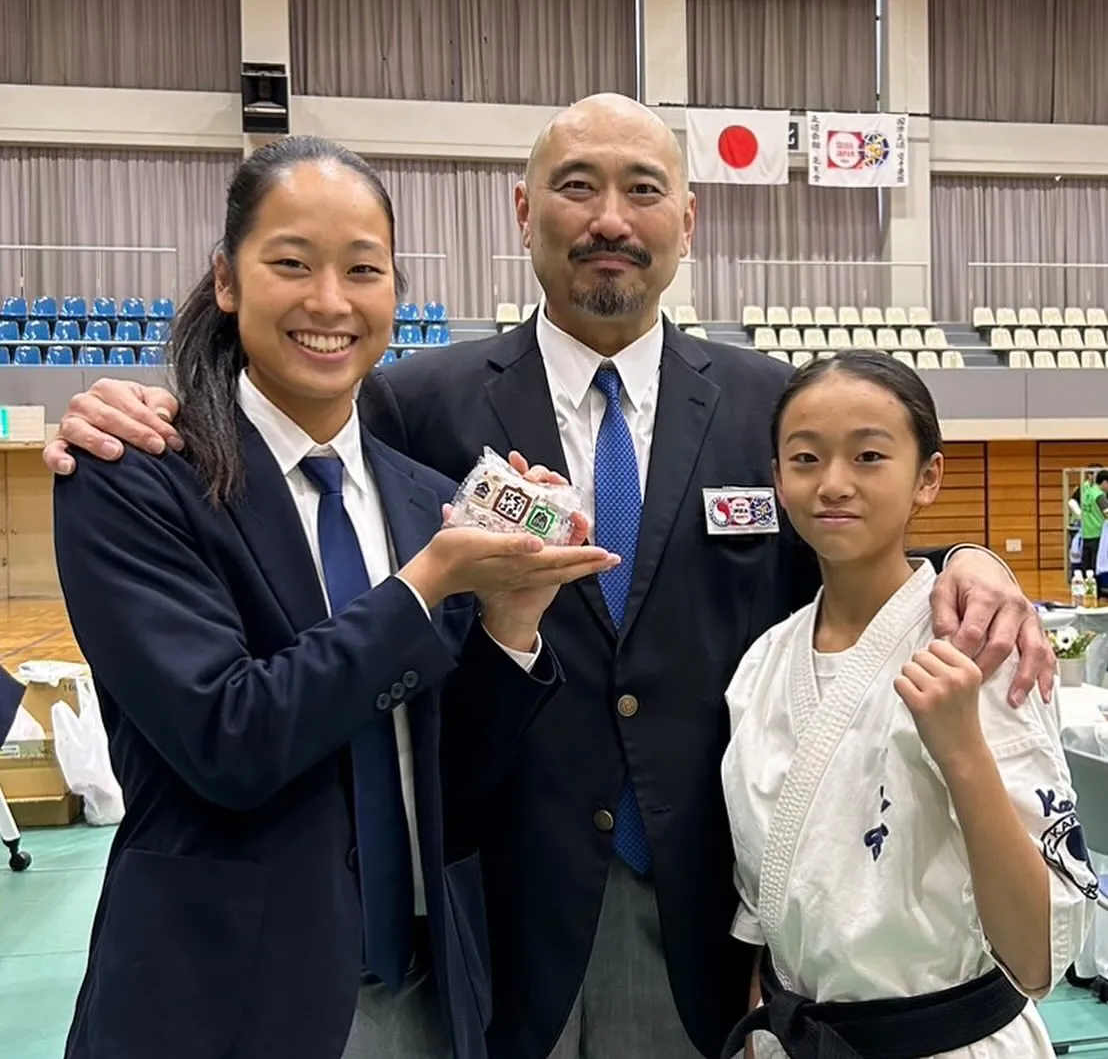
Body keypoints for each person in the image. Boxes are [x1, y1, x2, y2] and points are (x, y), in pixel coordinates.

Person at [42, 95, 1054, 1059]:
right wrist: (142, 401)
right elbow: (278, 446)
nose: (610, 218)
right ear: (523, 212)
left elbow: (854, 542)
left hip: (708, 911)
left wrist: (966, 560)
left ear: (687, 218)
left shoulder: (770, 409)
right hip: (491, 913)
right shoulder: (410, 407)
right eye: (575, 186)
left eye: (643, 189)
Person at [50, 136, 618, 1059]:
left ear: (395, 292)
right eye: (291, 264)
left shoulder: (415, 493)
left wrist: (511, 626)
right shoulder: (135, 480)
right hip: (222, 998)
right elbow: (228, 738)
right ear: (226, 281)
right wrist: (426, 581)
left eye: (363, 269)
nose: (329, 301)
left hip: (425, 996)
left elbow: (446, 781)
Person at [719, 350, 1097, 1059]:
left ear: (928, 478)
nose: (833, 484)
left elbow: (1039, 955)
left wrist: (961, 750)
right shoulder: (762, 664)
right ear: (776, 478)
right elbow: (771, 907)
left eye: (868, 456)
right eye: (805, 459)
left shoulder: (981, 646)